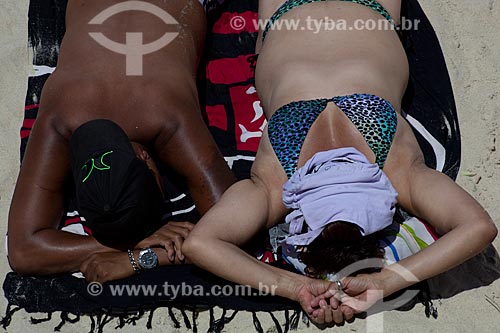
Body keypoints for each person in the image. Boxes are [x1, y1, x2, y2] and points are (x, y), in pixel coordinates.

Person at [180, 0, 497, 325]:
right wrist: (298, 287)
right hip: (286, 15)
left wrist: (387, 280)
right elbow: (202, 244)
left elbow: (478, 227)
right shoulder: (280, 182)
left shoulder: (395, 173)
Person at [7, 0, 236, 283]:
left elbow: (238, 230)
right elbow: (22, 250)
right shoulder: (64, 116)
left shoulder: (165, 118)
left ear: (145, 158)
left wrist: (140, 256)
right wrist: (134, 246)